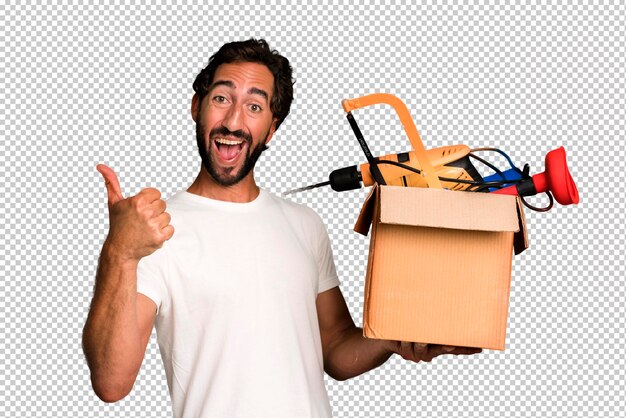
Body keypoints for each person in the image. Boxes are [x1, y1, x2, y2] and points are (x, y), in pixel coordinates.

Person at [82, 39, 481, 418]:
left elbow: (336, 349)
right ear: (196, 107)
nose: (233, 121)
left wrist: (396, 337)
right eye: (221, 98)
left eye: (254, 107)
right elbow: (111, 382)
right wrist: (120, 251)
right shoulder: (154, 231)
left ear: (272, 129)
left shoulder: (304, 224)